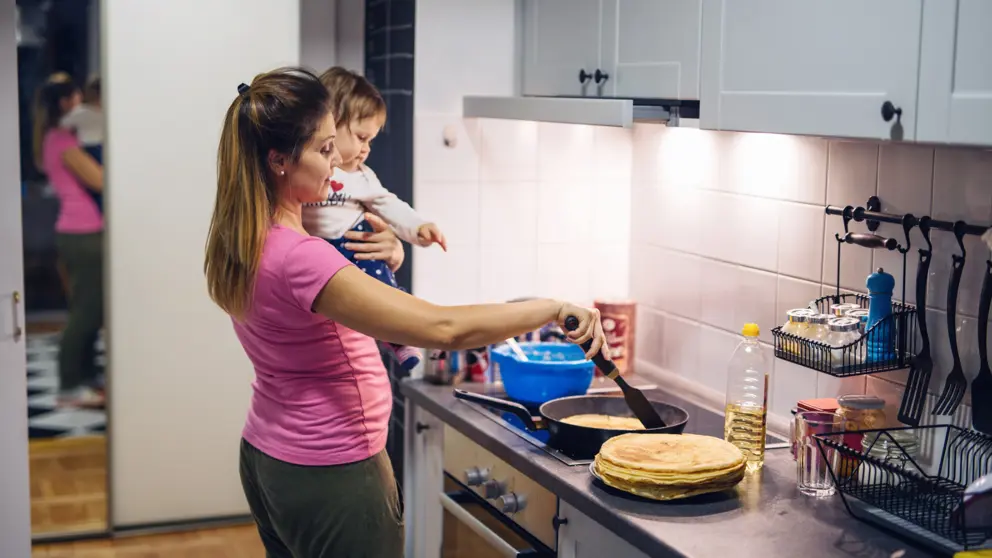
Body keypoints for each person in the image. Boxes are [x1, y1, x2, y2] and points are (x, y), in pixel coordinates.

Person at [204, 67, 606, 558]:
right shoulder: (300, 257)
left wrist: (391, 249)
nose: (336, 168)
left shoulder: (245, 236)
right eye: (324, 149)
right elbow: (443, 327)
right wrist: (549, 308)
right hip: (332, 467)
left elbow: (328, 285)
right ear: (280, 160)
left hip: (269, 454)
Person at [303, 66, 445, 372]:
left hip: (351, 247)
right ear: (330, 121)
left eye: (371, 140)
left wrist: (416, 229)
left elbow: (388, 205)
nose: (366, 149)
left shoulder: (362, 177)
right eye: (360, 137)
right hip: (318, 257)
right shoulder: (306, 172)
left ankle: (398, 335)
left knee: (382, 283)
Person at [34, 72, 105, 408]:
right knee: (87, 312)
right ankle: (69, 386)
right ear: (66, 103)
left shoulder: (51, 137)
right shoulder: (62, 139)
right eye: (78, 98)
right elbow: (100, 180)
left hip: (80, 231)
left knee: (90, 308)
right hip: (83, 232)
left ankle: (87, 377)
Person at [59, 74, 103, 211]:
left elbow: (61, 128)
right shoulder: (108, 115)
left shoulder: (77, 114)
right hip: (92, 152)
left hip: (86, 150)